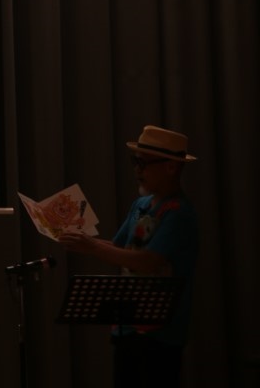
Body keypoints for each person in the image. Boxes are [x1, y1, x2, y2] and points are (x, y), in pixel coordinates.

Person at [59, 125, 198, 388]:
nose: (137, 170)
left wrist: (92, 246)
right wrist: (80, 241)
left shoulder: (178, 212)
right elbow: (119, 247)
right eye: (135, 162)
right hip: (128, 325)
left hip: (160, 333)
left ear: (171, 167)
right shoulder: (141, 205)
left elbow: (148, 260)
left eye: (143, 164)